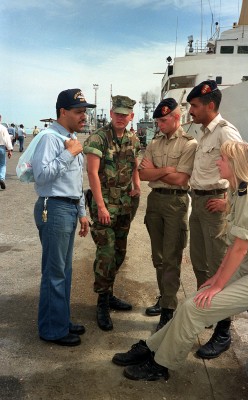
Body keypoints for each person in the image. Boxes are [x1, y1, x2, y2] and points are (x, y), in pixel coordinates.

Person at [112, 140, 248, 381]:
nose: (218, 161)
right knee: (191, 302)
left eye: (223, 159)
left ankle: (160, 365)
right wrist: (216, 278)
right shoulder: (240, 190)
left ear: (236, 164)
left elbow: (239, 248)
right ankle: (152, 346)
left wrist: (217, 285)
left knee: (195, 309)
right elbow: (235, 247)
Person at [31, 88, 92, 346]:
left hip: (67, 208)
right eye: (79, 112)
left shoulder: (71, 138)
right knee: (54, 273)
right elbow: (41, 176)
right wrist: (69, 153)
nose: (84, 117)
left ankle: (61, 320)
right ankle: (52, 330)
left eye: (85, 112)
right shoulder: (50, 138)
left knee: (64, 272)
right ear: (63, 112)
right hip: (53, 207)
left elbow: (75, 182)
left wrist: (82, 213)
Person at [187, 80, 242, 359]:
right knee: (199, 263)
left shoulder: (224, 131)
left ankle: (223, 332)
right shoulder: (203, 133)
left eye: (194, 106)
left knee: (219, 268)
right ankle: (206, 312)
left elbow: (244, 170)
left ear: (210, 106)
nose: (190, 111)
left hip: (214, 205)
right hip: (196, 204)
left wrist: (228, 202)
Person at [83, 95, 140, 331]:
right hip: (104, 206)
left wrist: (137, 186)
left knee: (119, 253)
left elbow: (135, 164)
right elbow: (92, 173)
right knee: (106, 254)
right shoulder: (99, 138)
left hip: (125, 205)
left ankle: (110, 292)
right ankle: (102, 303)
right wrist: (102, 206)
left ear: (131, 116)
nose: (120, 117)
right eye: (117, 113)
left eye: (124, 114)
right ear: (111, 113)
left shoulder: (133, 138)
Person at [140, 98, 197, 331]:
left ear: (176, 118)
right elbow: (143, 174)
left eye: (163, 120)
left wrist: (156, 173)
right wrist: (165, 170)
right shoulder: (155, 142)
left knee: (171, 257)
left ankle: (169, 310)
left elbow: (182, 179)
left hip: (176, 202)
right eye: (157, 121)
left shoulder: (188, 144)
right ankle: (165, 298)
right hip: (155, 202)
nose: (159, 125)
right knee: (158, 257)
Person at [0, 118, 13, 189]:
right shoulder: (3, 128)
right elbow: (7, 139)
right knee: (2, 165)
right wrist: (9, 150)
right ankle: (1, 178)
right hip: (1, 148)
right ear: (0, 119)